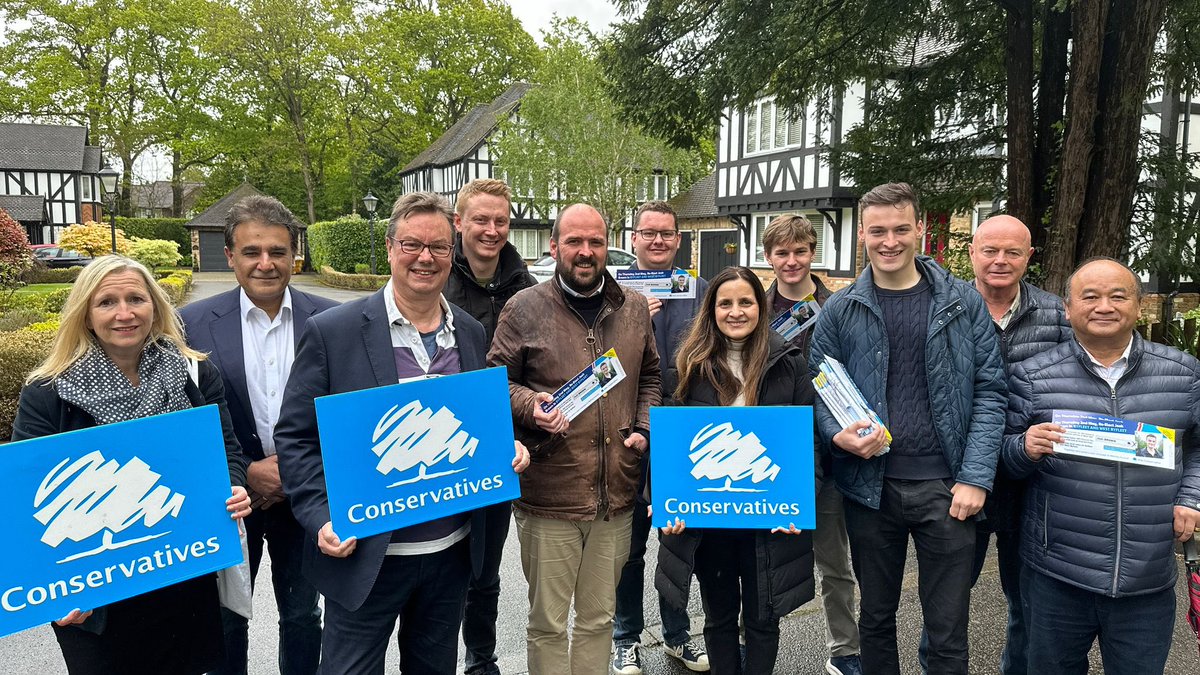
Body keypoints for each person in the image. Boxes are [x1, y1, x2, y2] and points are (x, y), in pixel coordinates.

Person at [273, 192, 530, 674]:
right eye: (412, 245)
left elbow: (476, 425)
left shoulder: (470, 333)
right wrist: (321, 516)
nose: (425, 258)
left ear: (451, 256)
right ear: (391, 248)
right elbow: (296, 437)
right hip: (367, 554)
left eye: (437, 247)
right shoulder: (333, 330)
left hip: (450, 553)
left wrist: (504, 449)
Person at [12, 255, 252, 675]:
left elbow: (226, 449)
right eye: (107, 302)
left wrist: (231, 487)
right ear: (85, 315)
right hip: (95, 596)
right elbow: (24, 500)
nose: (124, 313)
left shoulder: (194, 373)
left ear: (155, 307)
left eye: (136, 299)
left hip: (183, 575)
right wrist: (52, 593)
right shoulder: (49, 393)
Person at [809, 182, 1006, 675]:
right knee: (876, 620)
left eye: (901, 228)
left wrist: (976, 477)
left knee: (947, 629)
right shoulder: (840, 308)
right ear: (862, 235)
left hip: (949, 488)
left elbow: (990, 390)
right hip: (870, 489)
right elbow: (820, 387)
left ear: (920, 228)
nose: (889, 241)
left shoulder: (963, 302)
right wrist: (837, 434)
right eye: (877, 231)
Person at [1002, 257, 1200, 675]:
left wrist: (1192, 497)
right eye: (1089, 296)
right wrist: (1024, 447)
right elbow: (1002, 460)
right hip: (1057, 572)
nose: (1104, 306)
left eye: (1117, 295)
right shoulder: (1033, 376)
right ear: (1068, 307)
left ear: (1138, 305)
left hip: (1146, 575)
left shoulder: (1183, 374)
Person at [488, 203, 661, 675]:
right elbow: (493, 385)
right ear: (554, 245)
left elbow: (649, 374)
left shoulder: (633, 306)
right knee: (547, 623)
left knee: (599, 618)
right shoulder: (524, 307)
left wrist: (642, 427)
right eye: (574, 242)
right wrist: (530, 406)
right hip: (550, 494)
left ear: (608, 245)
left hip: (615, 493)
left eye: (596, 242)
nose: (585, 253)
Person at [180, 195, 335, 675]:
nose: (265, 264)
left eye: (277, 251)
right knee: (225, 617)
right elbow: (185, 416)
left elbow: (346, 406)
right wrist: (245, 470)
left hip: (305, 494)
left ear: (295, 255)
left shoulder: (334, 320)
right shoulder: (190, 324)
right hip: (228, 499)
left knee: (304, 617)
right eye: (252, 252)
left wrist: (295, 470)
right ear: (229, 256)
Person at [915, 213, 1069, 675]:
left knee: (1027, 600)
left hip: (1035, 481)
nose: (1000, 261)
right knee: (946, 599)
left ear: (1029, 257)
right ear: (972, 253)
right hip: (962, 477)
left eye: (1013, 252)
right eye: (990, 250)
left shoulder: (1058, 314)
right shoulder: (944, 308)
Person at [654, 266, 816, 675]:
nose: (736, 311)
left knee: (764, 620)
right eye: (725, 303)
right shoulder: (688, 366)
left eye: (745, 302)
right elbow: (670, 445)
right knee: (719, 618)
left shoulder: (789, 364)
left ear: (760, 307)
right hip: (711, 519)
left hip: (769, 518)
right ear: (711, 310)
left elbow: (807, 443)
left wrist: (798, 503)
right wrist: (662, 500)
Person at [443, 178, 538, 675]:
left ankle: (481, 658)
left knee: (484, 568)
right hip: (438, 442)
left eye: (500, 220)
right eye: (480, 219)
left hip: (499, 447)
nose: (491, 229)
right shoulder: (434, 276)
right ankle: (433, 656)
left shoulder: (527, 287)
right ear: (459, 221)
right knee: (433, 564)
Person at [760, 214, 861, 675]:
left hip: (828, 445)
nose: (792, 261)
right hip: (769, 451)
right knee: (760, 561)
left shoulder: (839, 306)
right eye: (782, 253)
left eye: (800, 251)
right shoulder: (753, 307)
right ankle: (753, 646)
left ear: (812, 253)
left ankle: (845, 649)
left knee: (834, 563)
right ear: (769, 258)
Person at [612, 201, 709, 675]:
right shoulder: (611, 293)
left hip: (686, 435)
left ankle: (677, 634)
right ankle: (624, 637)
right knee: (628, 547)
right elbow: (597, 365)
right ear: (633, 238)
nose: (657, 241)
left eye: (666, 234)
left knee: (679, 543)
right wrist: (632, 319)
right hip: (630, 433)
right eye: (648, 233)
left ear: (677, 239)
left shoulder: (699, 290)